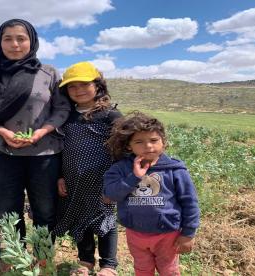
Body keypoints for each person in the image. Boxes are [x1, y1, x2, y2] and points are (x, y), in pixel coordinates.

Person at [0, 19, 70, 242]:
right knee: (7, 210)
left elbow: (62, 108)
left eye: (21, 39)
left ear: (32, 41)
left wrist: (42, 132)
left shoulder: (48, 73)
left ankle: (44, 256)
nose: (15, 44)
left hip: (44, 152)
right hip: (2, 151)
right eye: (8, 39)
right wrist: (4, 133)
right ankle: (16, 257)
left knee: (45, 209)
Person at [103, 112, 200, 276]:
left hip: (168, 234)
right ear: (129, 146)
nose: (148, 146)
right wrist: (134, 177)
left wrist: (188, 233)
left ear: (163, 142)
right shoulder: (120, 169)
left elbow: (190, 202)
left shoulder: (175, 170)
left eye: (154, 140)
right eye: (139, 142)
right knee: (142, 269)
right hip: (135, 233)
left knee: (168, 269)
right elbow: (110, 195)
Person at [53, 62, 121, 276]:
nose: (79, 90)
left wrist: (119, 180)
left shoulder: (111, 116)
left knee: (105, 219)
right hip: (73, 179)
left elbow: (123, 148)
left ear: (98, 85)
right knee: (79, 218)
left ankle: (109, 265)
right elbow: (59, 150)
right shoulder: (67, 116)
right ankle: (85, 261)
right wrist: (60, 176)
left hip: (103, 180)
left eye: (84, 84)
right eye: (72, 87)